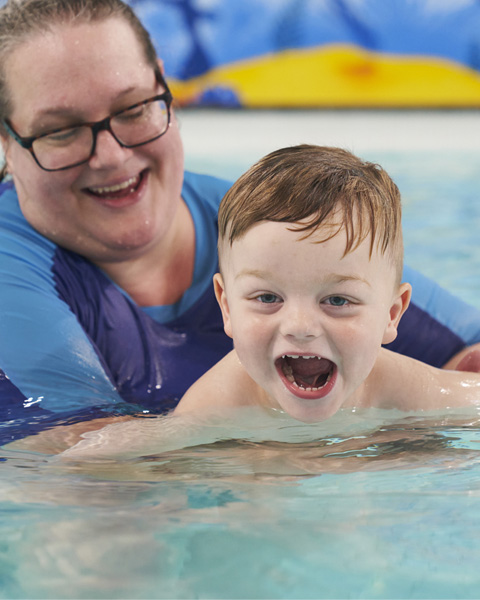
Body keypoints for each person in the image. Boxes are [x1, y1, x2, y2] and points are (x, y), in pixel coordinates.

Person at [0, 0, 479, 443]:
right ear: (5, 140)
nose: (112, 155)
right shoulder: (11, 272)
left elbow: (468, 359)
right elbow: (87, 473)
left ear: (163, 89)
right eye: (59, 130)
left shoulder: (267, 226)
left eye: (132, 109)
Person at [175, 145, 480, 421]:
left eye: (337, 300)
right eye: (268, 298)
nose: (299, 325)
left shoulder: (411, 394)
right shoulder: (213, 408)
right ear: (227, 308)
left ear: (391, 314)